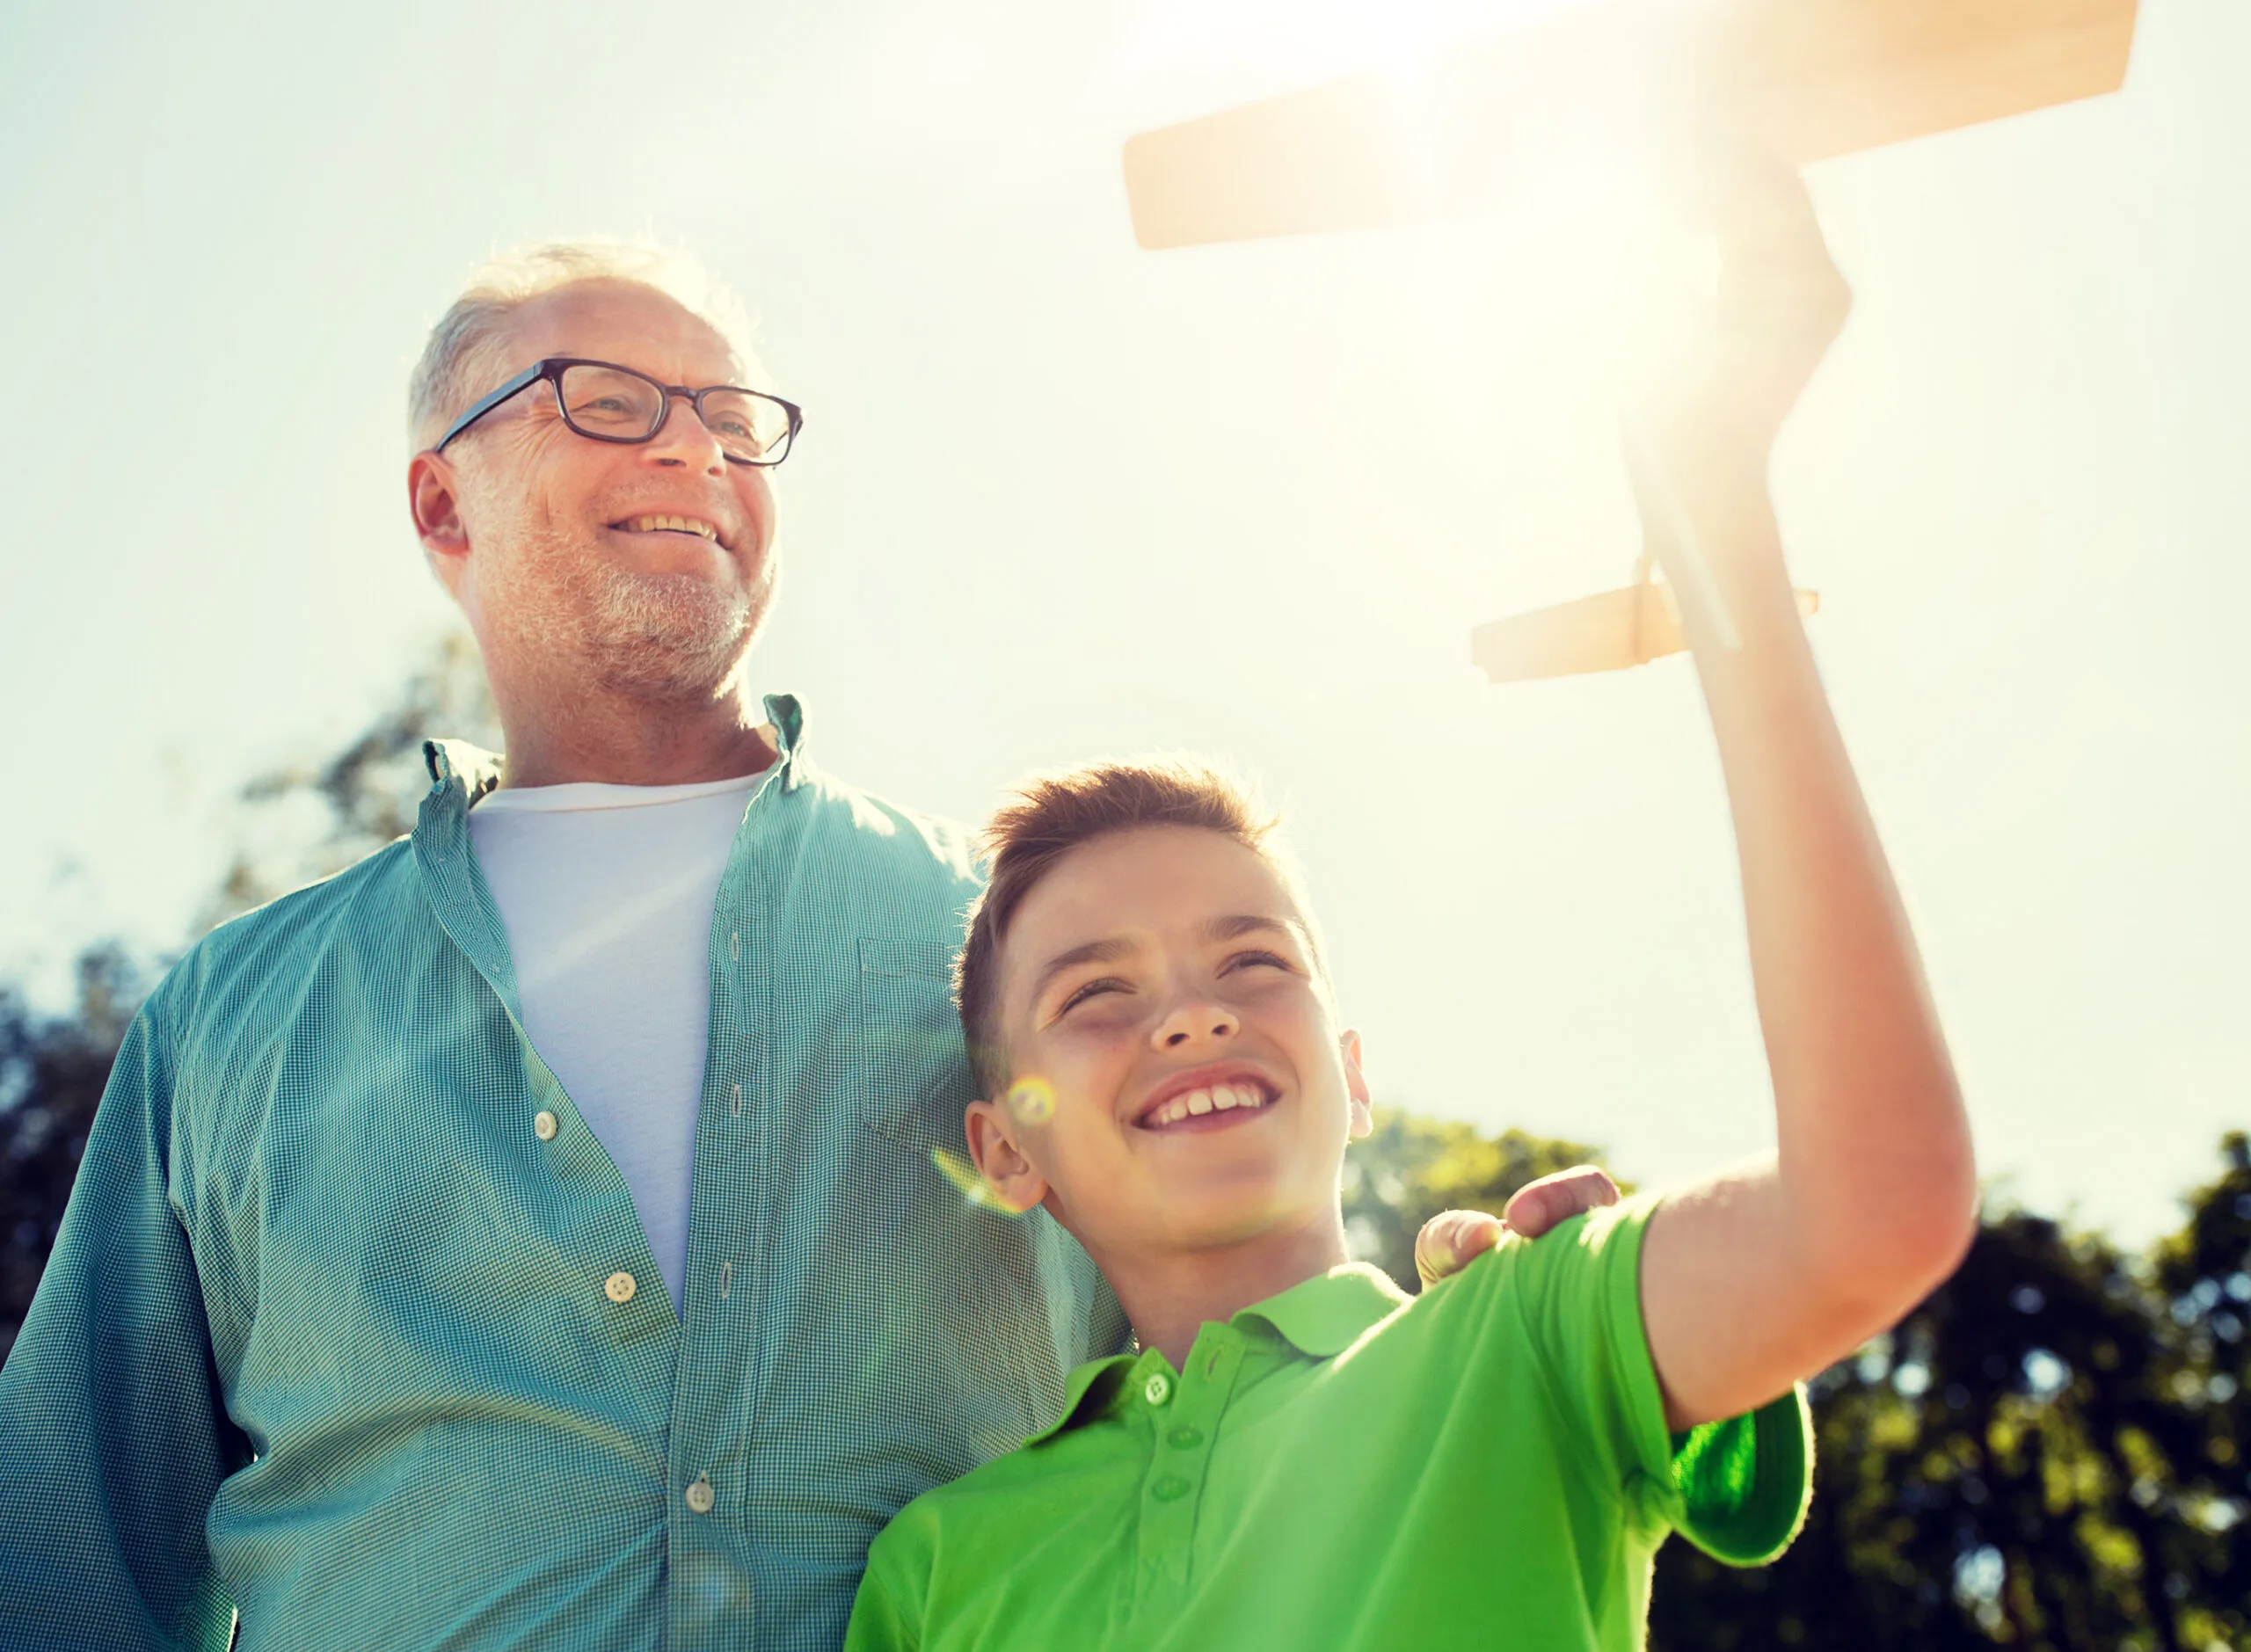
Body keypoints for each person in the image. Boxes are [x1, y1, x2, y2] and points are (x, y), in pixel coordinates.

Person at [0, 238, 1609, 1652]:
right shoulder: (235, 1021)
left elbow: (1233, 1375)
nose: (695, 446)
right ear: (443, 499)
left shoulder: (1010, 952)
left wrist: (1459, 1335)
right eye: (610, 397)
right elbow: (60, 1575)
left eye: (734, 415)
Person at [843, 158, 1978, 1652]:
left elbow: (1875, 1207)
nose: (1190, 1009)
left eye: (1251, 959)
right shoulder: (943, 1567)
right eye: (1096, 994)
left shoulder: (1527, 1330)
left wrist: (1718, 523)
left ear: (1353, 1071)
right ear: (1005, 1151)